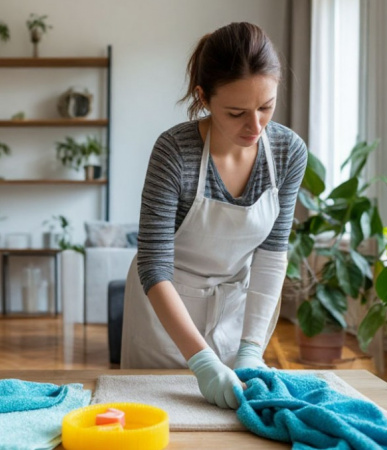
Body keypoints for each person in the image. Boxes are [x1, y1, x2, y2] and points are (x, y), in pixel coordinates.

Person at [120, 22, 308, 410]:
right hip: (164, 318)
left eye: (266, 107)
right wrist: (202, 361)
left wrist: (252, 348)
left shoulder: (289, 151)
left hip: (234, 317)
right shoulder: (175, 151)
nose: (255, 126)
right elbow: (154, 265)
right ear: (203, 97)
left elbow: (272, 255)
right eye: (237, 112)